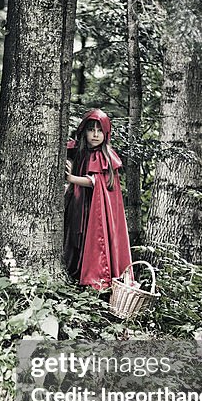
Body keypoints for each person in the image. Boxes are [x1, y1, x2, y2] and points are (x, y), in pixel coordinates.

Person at [62, 108, 133, 290]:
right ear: (83, 131)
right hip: (79, 204)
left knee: (92, 240)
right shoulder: (79, 150)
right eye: (91, 129)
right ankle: (74, 275)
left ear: (106, 133)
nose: (95, 135)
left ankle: (94, 280)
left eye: (99, 130)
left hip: (96, 209)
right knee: (75, 237)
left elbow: (95, 182)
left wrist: (71, 179)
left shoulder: (105, 156)